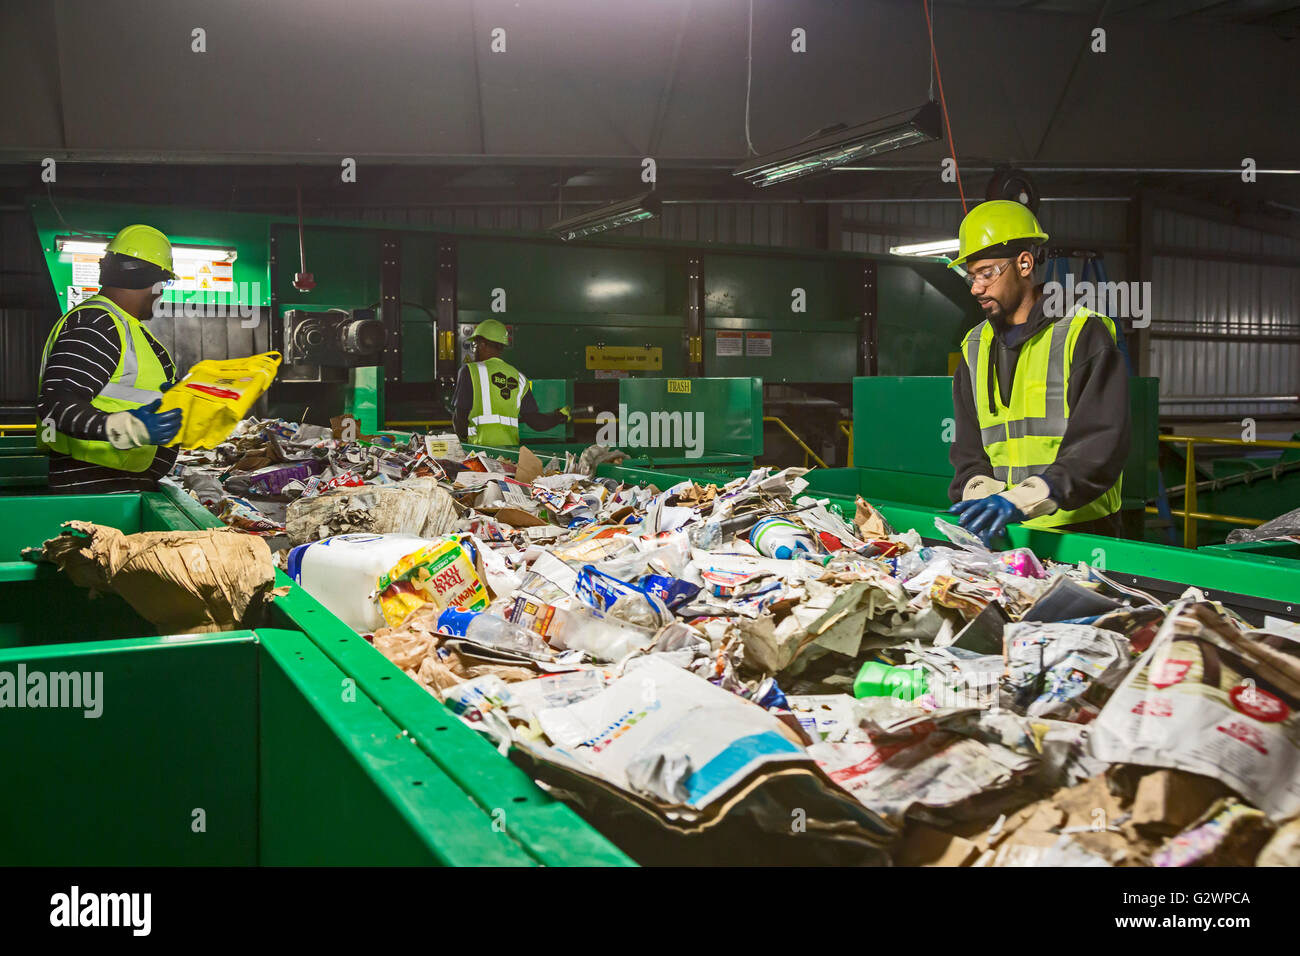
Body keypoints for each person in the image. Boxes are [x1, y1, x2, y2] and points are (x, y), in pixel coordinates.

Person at [945, 200, 1130, 545]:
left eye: (987, 273)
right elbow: (968, 451)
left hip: (1081, 536)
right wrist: (979, 494)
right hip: (1006, 534)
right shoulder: (974, 345)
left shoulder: (1083, 333)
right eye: (972, 276)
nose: (975, 288)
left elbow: (1100, 447)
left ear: (1025, 263)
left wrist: (1021, 500)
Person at [36, 224, 184, 493]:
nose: (162, 292)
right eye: (164, 282)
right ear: (148, 280)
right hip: (93, 491)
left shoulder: (122, 327)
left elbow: (128, 393)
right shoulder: (97, 325)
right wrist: (129, 428)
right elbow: (55, 404)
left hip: (120, 485)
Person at [452, 319, 570, 446]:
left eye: (474, 345)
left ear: (482, 344)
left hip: (480, 452)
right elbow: (536, 423)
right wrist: (559, 416)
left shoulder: (470, 371)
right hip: (509, 454)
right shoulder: (519, 377)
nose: (474, 350)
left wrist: (465, 440)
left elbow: (460, 420)